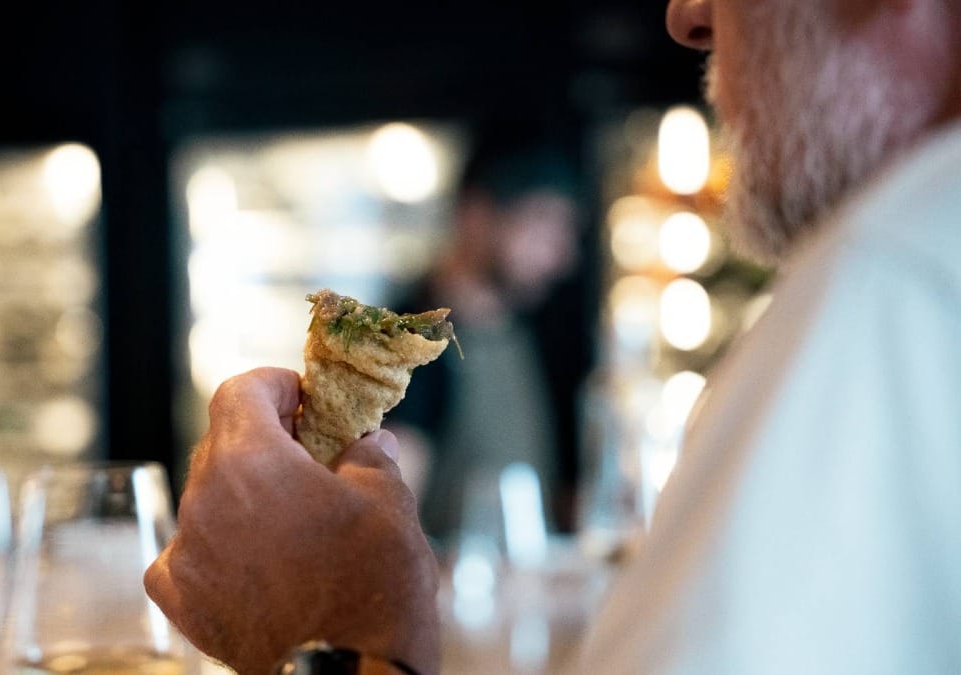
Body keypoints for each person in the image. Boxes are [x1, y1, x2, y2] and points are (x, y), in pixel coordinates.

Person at [145, 1, 961, 673]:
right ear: (479, 214)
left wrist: (328, 643)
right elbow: (377, 496)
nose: (686, 14)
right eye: (544, 225)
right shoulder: (422, 348)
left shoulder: (892, 278)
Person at [386, 124, 597, 540]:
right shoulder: (411, 344)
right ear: (476, 215)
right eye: (542, 221)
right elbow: (388, 526)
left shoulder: (533, 333)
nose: (561, 255)